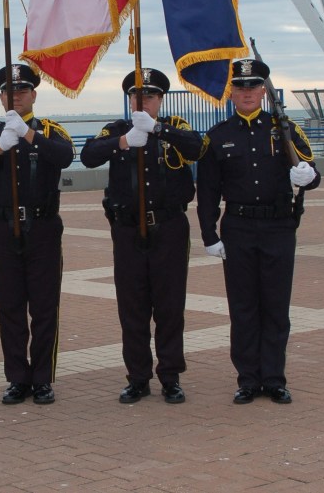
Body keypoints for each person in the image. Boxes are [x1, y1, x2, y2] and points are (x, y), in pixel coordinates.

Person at [197, 58, 320, 405]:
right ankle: (248, 379)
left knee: (276, 306)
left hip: (278, 226)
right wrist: (209, 235)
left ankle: (274, 378)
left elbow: (311, 171)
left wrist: (307, 176)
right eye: (240, 87)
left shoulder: (285, 129)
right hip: (238, 229)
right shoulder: (217, 136)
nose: (247, 92)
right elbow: (207, 191)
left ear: (264, 92)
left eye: (253, 86)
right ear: (231, 93)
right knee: (243, 307)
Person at [80, 68, 202, 405]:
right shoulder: (117, 129)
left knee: (169, 306)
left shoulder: (174, 127)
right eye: (135, 95)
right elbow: (88, 156)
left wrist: (158, 130)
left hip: (169, 227)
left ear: (160, 99)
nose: (141, 101)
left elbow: (197, 148)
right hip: (128, 229)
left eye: (148, 95)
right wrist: (123, 141)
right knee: (132, 306)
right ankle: (137, 377)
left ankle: (170, 376)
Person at [0, 63, 74, 405]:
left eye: (22, 91)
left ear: (33, 95)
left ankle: (42, 378)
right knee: (9, 307)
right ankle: (17, 378)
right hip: (3, 229)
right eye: (9, 92)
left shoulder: (50, 130)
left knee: (44, 307)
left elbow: (65, 157)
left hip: (42, 229)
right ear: (1, 98)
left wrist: (28, 134)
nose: (16, 96)